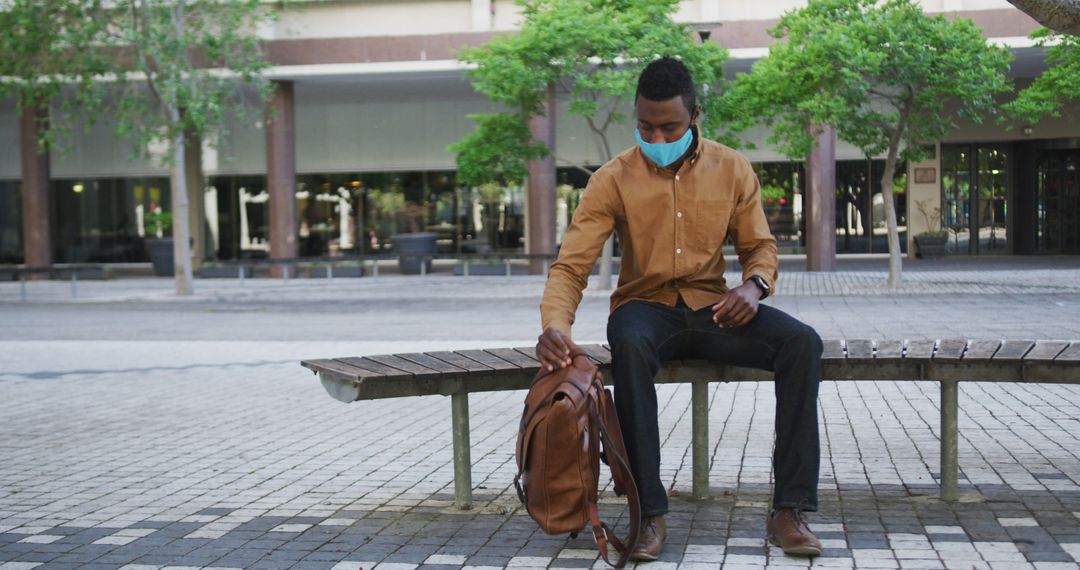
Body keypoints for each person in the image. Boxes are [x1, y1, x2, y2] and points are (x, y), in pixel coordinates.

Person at [535, 57, 824, 561]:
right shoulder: (612, 178)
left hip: (714, 308)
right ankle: (649, 513)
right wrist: (555, 326)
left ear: (695, 116)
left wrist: (754, 288)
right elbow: (571, 266)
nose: (656, 134)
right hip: (644, 308)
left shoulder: (732, 167)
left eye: (668, 125)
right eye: (645, 126)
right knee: (628, 343)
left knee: (802, 343)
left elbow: (761, 248)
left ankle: (789, 510)